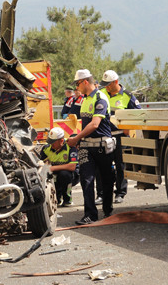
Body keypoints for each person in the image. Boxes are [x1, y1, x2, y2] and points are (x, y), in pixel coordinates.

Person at [66, 69, 115, 225]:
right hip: (87, 146)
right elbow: (85, 124)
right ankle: (90, 215)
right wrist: (79, 140)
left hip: (102, 146)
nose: (76, 87)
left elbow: (95, 124)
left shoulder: (101, 98)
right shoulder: (84, 100)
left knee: (107, 180)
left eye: (78, 83)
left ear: (85, 81)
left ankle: (108, 210)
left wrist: (76, 138)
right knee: (86, 180)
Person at [98, 70, 141, 204]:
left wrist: (129, 127)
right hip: (104, 136)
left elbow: (139, 114)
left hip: (120, 136)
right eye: (104, 84)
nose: (106, 87)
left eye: (108, 84)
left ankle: (120, 193)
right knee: (101, 166)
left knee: (120, 165)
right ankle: (101, 194)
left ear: (116, 82)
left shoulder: (127, 96)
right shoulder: (101, 93)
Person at [39, 127, 79, 206]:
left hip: (70, 175)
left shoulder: (70, 147)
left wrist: (53, 168)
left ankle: (67, 199)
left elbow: (72, 166)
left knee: (64, 174)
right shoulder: (46, 149)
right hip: (54, 174)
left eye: (53, 142)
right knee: (42, 173)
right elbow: (41, 162)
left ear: (61, 141)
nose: (51, 144)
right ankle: (54, 197)